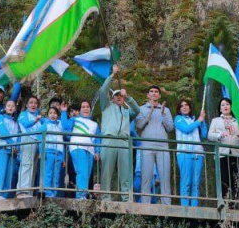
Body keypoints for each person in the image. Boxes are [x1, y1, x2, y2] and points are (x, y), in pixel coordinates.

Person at [98, 65, 140, 201]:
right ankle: (105, 198)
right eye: (117, 95)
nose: (119, 97)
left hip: (123, 142)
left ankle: (127, 199)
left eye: (121, 95)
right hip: (109, 140)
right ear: (112, 97)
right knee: (106, 172)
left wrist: (128, 98)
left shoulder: (127, 112)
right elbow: (103, 90)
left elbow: (138, 110)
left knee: (125, 173)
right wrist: (112, 75)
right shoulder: (106, 106)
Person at [135, 85, 175, 204]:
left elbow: (170, 128)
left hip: (162, 146)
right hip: (147, 145)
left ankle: (166, 205)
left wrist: (162, 114)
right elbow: (139, 126)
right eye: (151, 92)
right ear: (148, 95)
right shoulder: (141, 109)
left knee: (165, 177)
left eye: (156, 92)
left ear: (159, 95)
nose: (154, 94)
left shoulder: (166, 110)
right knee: (146, 177)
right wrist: (150, 112)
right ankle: (145, 205)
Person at [208, 98, 239, 203]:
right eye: (223, 105)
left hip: (237, 153)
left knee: (236, 179)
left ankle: (236, 202)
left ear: (231, 107)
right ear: (220, 108)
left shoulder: (238, 120)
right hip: (222, 153)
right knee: (223, 179)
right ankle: (223, 202)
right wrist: (219, 135)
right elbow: (209, 135)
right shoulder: (215, 120)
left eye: (227, 104)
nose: (225, 106)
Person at [61, 100, 100, 199]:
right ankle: (81, 197)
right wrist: (64, 112)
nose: (86, 109)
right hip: (77, 147)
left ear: (90, 109)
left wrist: (98, 151)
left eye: (87, 107)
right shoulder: (75, 119)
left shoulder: (94, 124)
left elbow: (98, 139)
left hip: (90, 150)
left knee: (87, 174)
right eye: (83, 107)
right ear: (80, 110)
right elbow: (65, 126)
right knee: (82, 171)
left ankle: (82, 194)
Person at [174, 99, 207, 207]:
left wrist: (203, 121)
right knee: (186, 181)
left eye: (186, 105)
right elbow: (186, 129)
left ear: (190, 108)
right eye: (182, 106)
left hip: (198, 153)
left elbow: (204, 135)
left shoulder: (195, 120)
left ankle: (194, 207)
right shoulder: (178, 119)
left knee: (196, 183)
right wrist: (199, 121)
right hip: (184, 152)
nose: (184, 107)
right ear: (179, 109)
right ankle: (184, 208)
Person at [17, 95, 43, 197]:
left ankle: (29, 191)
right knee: (26, 165)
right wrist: (35, 120)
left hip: (37, 142)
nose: (33, 105)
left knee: (33, 166)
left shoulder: (38, 117)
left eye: (35, 103)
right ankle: (22, 190)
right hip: (27, 139)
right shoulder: (23, 114)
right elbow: (24, 124)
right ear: (27, 105)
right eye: (31, 102)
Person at [0, 99, 21, 199]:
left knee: (10, 172)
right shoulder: (1, 118)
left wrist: (17, 147)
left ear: (15, 109)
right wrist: (13, 144)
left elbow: (19, 134)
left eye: (12, 106)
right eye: (8, 105)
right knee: (2, 170)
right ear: (5, 108)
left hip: (13, 150)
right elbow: (3, 132)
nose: (10, 107)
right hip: (4, 147)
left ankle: (5, 194)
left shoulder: (16, 121)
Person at [40, 105, 66, 197]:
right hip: (48, 151)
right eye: (50, 113)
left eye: (54, 113)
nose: (52, 115)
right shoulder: (45, 125)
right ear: (47, 115)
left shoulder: (59, 127)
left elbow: (61, 143)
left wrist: (63, 158)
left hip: (58, 153)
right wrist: (41, 151)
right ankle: (47, 192)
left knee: (56, 174)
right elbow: (41, 138)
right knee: (48, 172)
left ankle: (54, 193)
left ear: (57, 115)